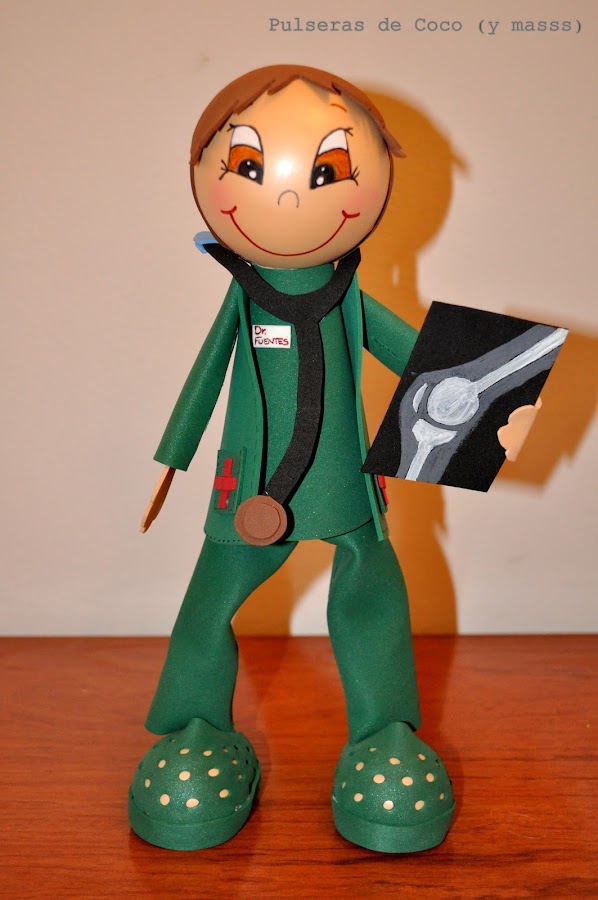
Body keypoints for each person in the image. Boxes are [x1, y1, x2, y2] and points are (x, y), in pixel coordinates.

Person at [128, 64, 454, 853]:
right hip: (247, 490)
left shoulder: (347, 298)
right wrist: (174, 456)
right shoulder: (243, 297)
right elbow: (207, 375)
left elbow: (413, 354)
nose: (283, 198)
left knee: (371, 594)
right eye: (247, 165)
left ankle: (383, 734)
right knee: (211, 602)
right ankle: (197, 728)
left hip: (346, 485)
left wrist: (489, 387)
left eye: (330, 170)